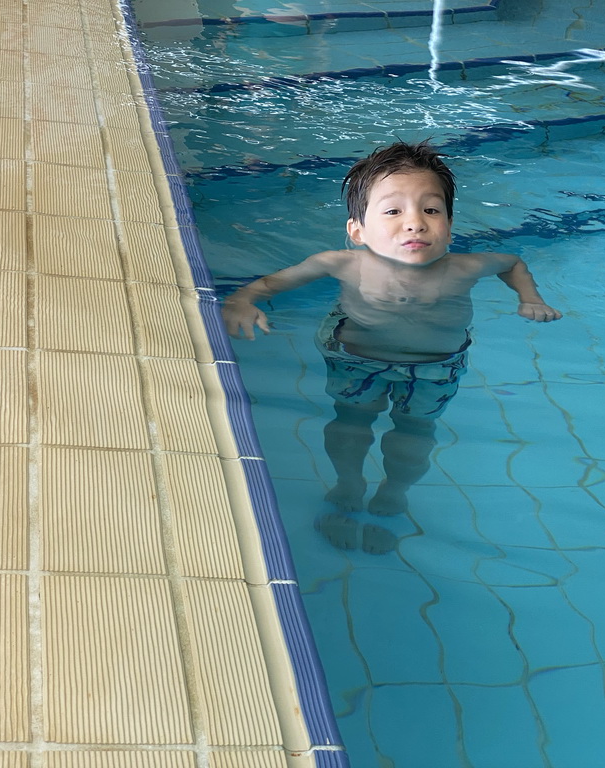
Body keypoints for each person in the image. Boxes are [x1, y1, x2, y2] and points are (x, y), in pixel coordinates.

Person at [222, 141, 561, 552]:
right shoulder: (341, 263)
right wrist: (242, 301)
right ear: (357, 230)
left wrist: (530, 297)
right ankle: (348, 484)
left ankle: (395, 490)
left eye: (431, 210)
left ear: (450, 226)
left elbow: (513, 263)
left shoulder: (466, 268)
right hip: (355, 359)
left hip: (435, 367)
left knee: (415, 432)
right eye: (393, 210)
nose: (415, 223)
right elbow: (270, 284)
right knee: (351, 421)